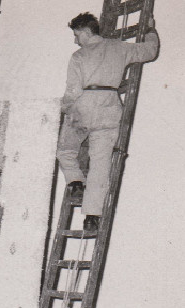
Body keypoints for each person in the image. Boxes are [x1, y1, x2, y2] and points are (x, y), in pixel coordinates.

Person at [57, 12, 159, 231]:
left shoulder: (78, 56)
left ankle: (75, 181)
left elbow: (73, 90)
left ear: (85, 32)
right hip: (109, 108)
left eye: (77, 35)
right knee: (100, 165)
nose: (75, 40)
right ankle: (92, 217)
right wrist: (151, 30)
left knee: (65, 149)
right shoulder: (121, 48)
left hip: (83, 106)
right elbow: (150, 52)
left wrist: (64, 109)